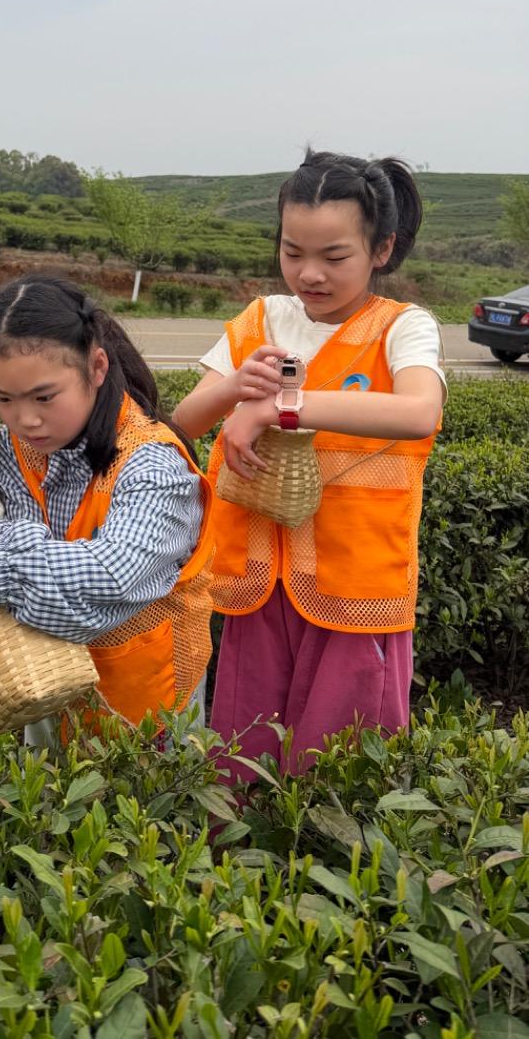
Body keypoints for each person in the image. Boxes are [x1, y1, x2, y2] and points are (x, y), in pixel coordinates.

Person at [173, 151, 445, 774]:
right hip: (257, 585)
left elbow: (418, 413)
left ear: (382, 250)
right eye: (292, 252)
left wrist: (279, 408)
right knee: (242, 761)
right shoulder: (262, 319)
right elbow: (182, 424)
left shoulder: (403, 327)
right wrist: (235, 386)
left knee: (339, 767)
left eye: (334, 256)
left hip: (357, 582)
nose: (309, 273)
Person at [0, 274, 214, 732]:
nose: (26, 419)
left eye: (44, 397)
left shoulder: (153, 465)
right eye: (4, 399)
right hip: (47, 679)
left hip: (151, 701)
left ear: (96, 367)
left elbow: (112, 576)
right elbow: (21, 532)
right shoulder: (19, 446)